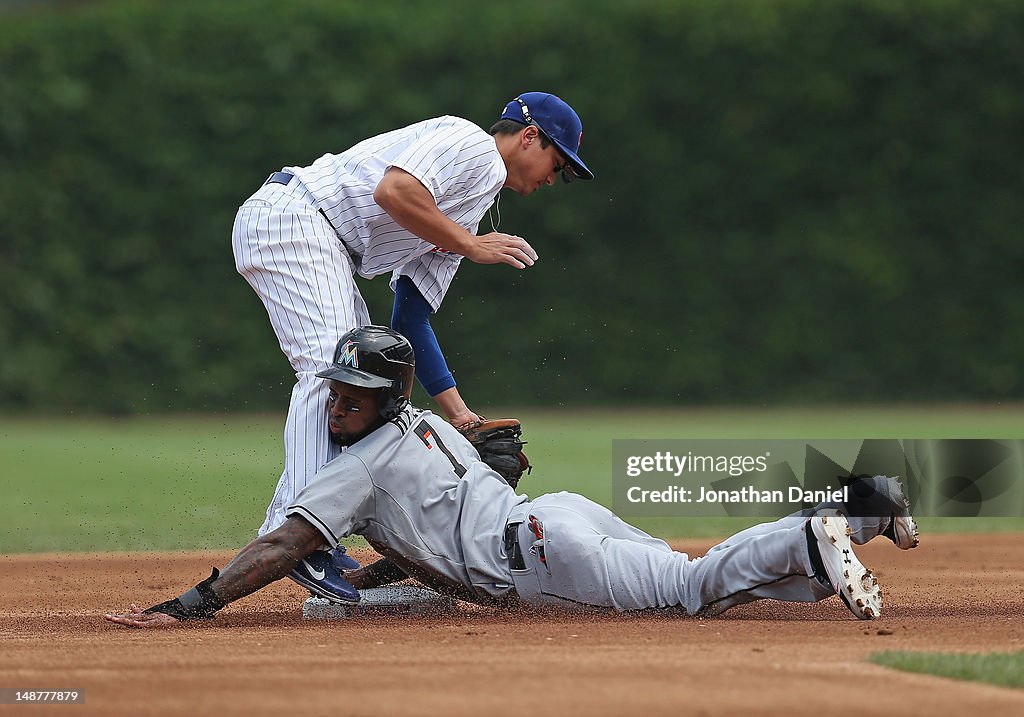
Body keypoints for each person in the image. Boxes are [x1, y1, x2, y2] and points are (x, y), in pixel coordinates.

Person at [105, 327, 919, 628]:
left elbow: (282, 545)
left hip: (539, 556)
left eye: (354, 396)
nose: (338, 407)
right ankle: (859, 513)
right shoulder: (427, 425)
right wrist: (396, 573)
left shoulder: (356, 469)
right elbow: (435, 529)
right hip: (556, 517)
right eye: (334, 392)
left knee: (695, 588)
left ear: (384, 396)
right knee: (693, 575)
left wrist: (194, 603)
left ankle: (824, 529)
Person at [230, 92, 594, 601]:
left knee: (368, 379)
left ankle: (301, 532)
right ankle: (299, 539)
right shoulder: (472, 146)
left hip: (323, 239)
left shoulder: (467, 211)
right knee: (333, 371)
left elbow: (411, 317)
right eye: (558, 162)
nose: (553, 178)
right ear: (530, 137)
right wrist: (470, 246)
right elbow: (393, 190)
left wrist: (463, 418)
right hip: (297, 218)